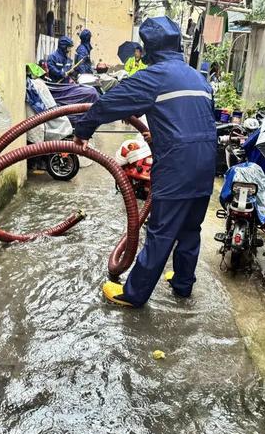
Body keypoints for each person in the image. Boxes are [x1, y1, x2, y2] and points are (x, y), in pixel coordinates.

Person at [73, 16, 216, 307]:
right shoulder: (198, 78)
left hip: (177, 167)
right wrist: (157, 133)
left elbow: (108, 103)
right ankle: (183, 285)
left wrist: (82, 131)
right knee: (190, 229)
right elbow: (190, 118)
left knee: (160, 232)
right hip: (206, 165)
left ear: (148, 47)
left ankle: (134, 295)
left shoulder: (155, 76)